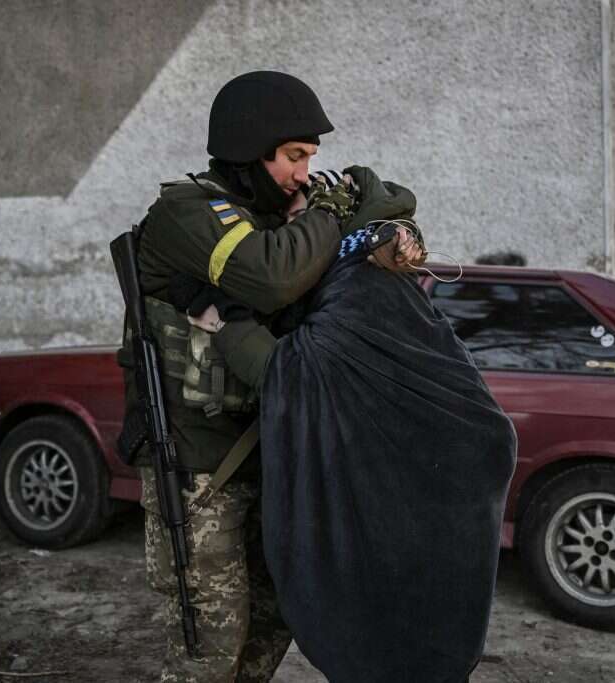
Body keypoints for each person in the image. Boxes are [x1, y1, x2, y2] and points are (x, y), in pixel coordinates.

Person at [123, 70, 424, 683]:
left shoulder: (280, 217)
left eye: (311, 159)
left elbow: (386, 202)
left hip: (271, 454)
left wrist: (386, 225)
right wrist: (327, 213)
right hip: (197, 468)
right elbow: (270, 278)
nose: (304, 174)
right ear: (248, 148)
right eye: (293, 157)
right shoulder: (188, 210)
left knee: (274, 618)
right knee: (210, 643)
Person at [183, 184, 516, 682]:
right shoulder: (380, 278)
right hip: (435, 500)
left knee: (390, 636)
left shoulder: (356, 287)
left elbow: (288, 371)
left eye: (302, 221)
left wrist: (226, 320)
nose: (290, 235)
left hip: (420, 501)